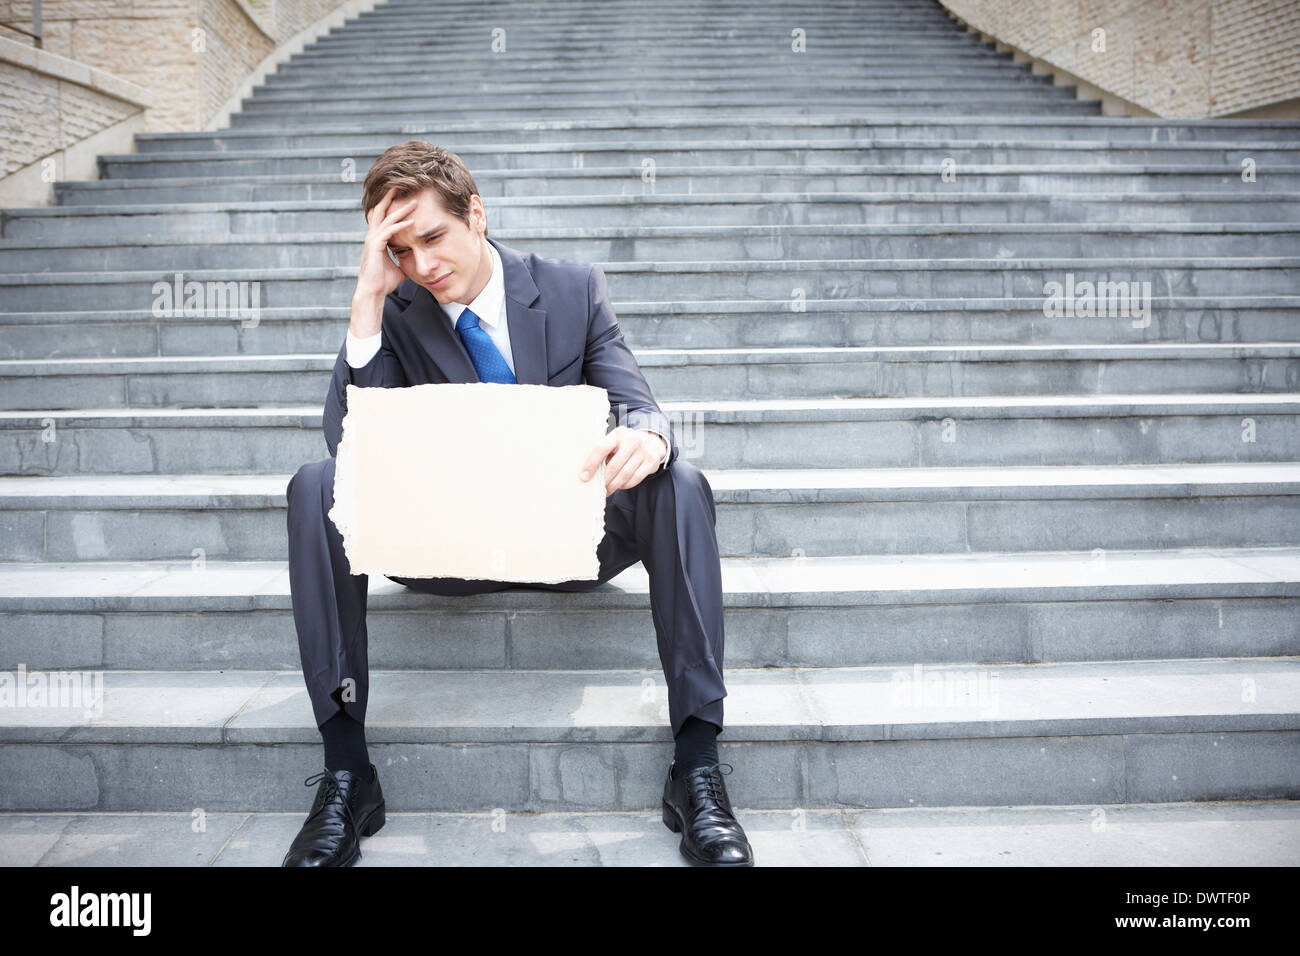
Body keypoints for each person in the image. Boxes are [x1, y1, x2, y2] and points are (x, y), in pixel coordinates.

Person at [281, 141, 752, 867]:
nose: (424, 264)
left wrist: (648, 439)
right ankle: (348, 772)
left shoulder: (571, 289)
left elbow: (639, 405)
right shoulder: (397, 312)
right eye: (401, 250)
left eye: (433, 237)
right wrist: (368, 301)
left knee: (679, 480)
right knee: (315, 484)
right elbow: (354, 455)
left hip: (571, 538)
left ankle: (696, 767)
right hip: (447, 548)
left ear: (477, 214)